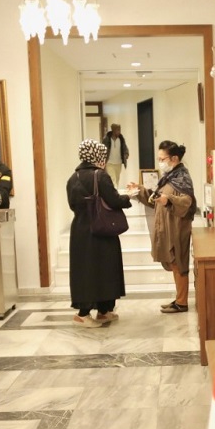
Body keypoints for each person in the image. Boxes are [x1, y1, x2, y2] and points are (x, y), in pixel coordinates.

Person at [67, 139, 131, 327]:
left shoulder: (73, 178)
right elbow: (114, 200)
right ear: (98, 156)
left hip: (80, 230)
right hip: (101, 230)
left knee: (86, 270)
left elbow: (72, 204)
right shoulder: (100, 176)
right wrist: (129, 197)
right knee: (105, 269)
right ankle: (84, 314)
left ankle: (102, 311)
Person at [129, 140, 196, 314]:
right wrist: (140, 190)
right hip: (167, 225)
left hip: (177, 227)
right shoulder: (170, 176)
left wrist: (170, 200)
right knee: (173, 263)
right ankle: (179, 299)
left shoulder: (182, 178)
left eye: (162, 159)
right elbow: (156, 199)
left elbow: (187, 202)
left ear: (174, 158)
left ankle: (182, 303)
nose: (160, 162)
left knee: (179, 262)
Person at [102, 123, 129, 187]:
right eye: (118, 130)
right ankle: (115, 194)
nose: (119, 132)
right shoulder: (106, 139)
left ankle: (114, 193)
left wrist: (126, 154)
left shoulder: (121, 139)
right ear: (113, 130)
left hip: (118, 163)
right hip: (109, 163)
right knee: (113, 180)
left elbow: (125, 148)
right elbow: (103, 149)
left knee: (117, 180)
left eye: (120, 130)